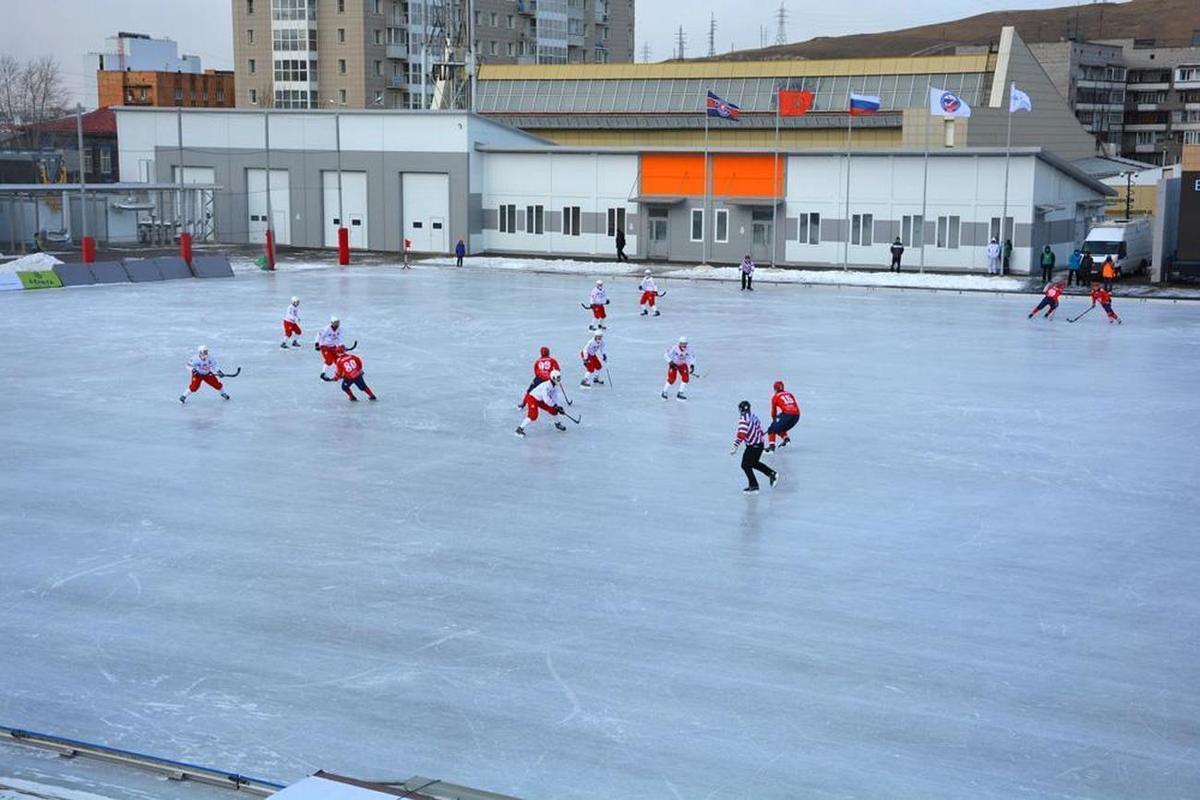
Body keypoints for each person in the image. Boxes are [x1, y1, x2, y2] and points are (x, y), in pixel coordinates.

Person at [730, 400, 778, 494]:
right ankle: (771, 474)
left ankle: (754, 486)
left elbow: (741, 434)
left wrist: (735, 446)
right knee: (754, 463)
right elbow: (760, 430)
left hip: (753, 446)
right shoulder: (754, 417)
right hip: (759, 444)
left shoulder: (743, 419)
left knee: (745, 465)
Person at [515, 370, 567, 437]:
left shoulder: (555, 385)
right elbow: (546, 400)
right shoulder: (546, 386)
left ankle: (557, 424)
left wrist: (557, 406)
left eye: (560, 377)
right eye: (558, 378)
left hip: (540, 399)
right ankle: (519, 429)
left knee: (553, 410)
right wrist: (555, 406)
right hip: (532, 398)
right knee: (533, 416)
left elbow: (555, 397)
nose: (559, 379)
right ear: (553, 378)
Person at [766, 380, 801, 452]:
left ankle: (771, 447)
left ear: (775, 388)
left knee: (772, 429)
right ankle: (786, 440)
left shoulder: (775, 397)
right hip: (797, 415)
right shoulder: (789, 394)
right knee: (779, 427)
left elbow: (774, 412)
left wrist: (774, 421)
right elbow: (795, 404)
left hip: (787, 414)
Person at [661, 336, 695, 401]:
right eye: (682, 343)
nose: (684, 345)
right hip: (674, 365)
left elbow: (692, 357)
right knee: (672, 379)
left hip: (682, 365)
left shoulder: (689, 349)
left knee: (686, 378)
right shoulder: (674, 348)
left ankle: (680, 393)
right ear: (679, 343)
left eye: (685, 343)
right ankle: (664, 392)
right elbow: (666, 354)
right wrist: (670, 361)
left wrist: (692, 365)